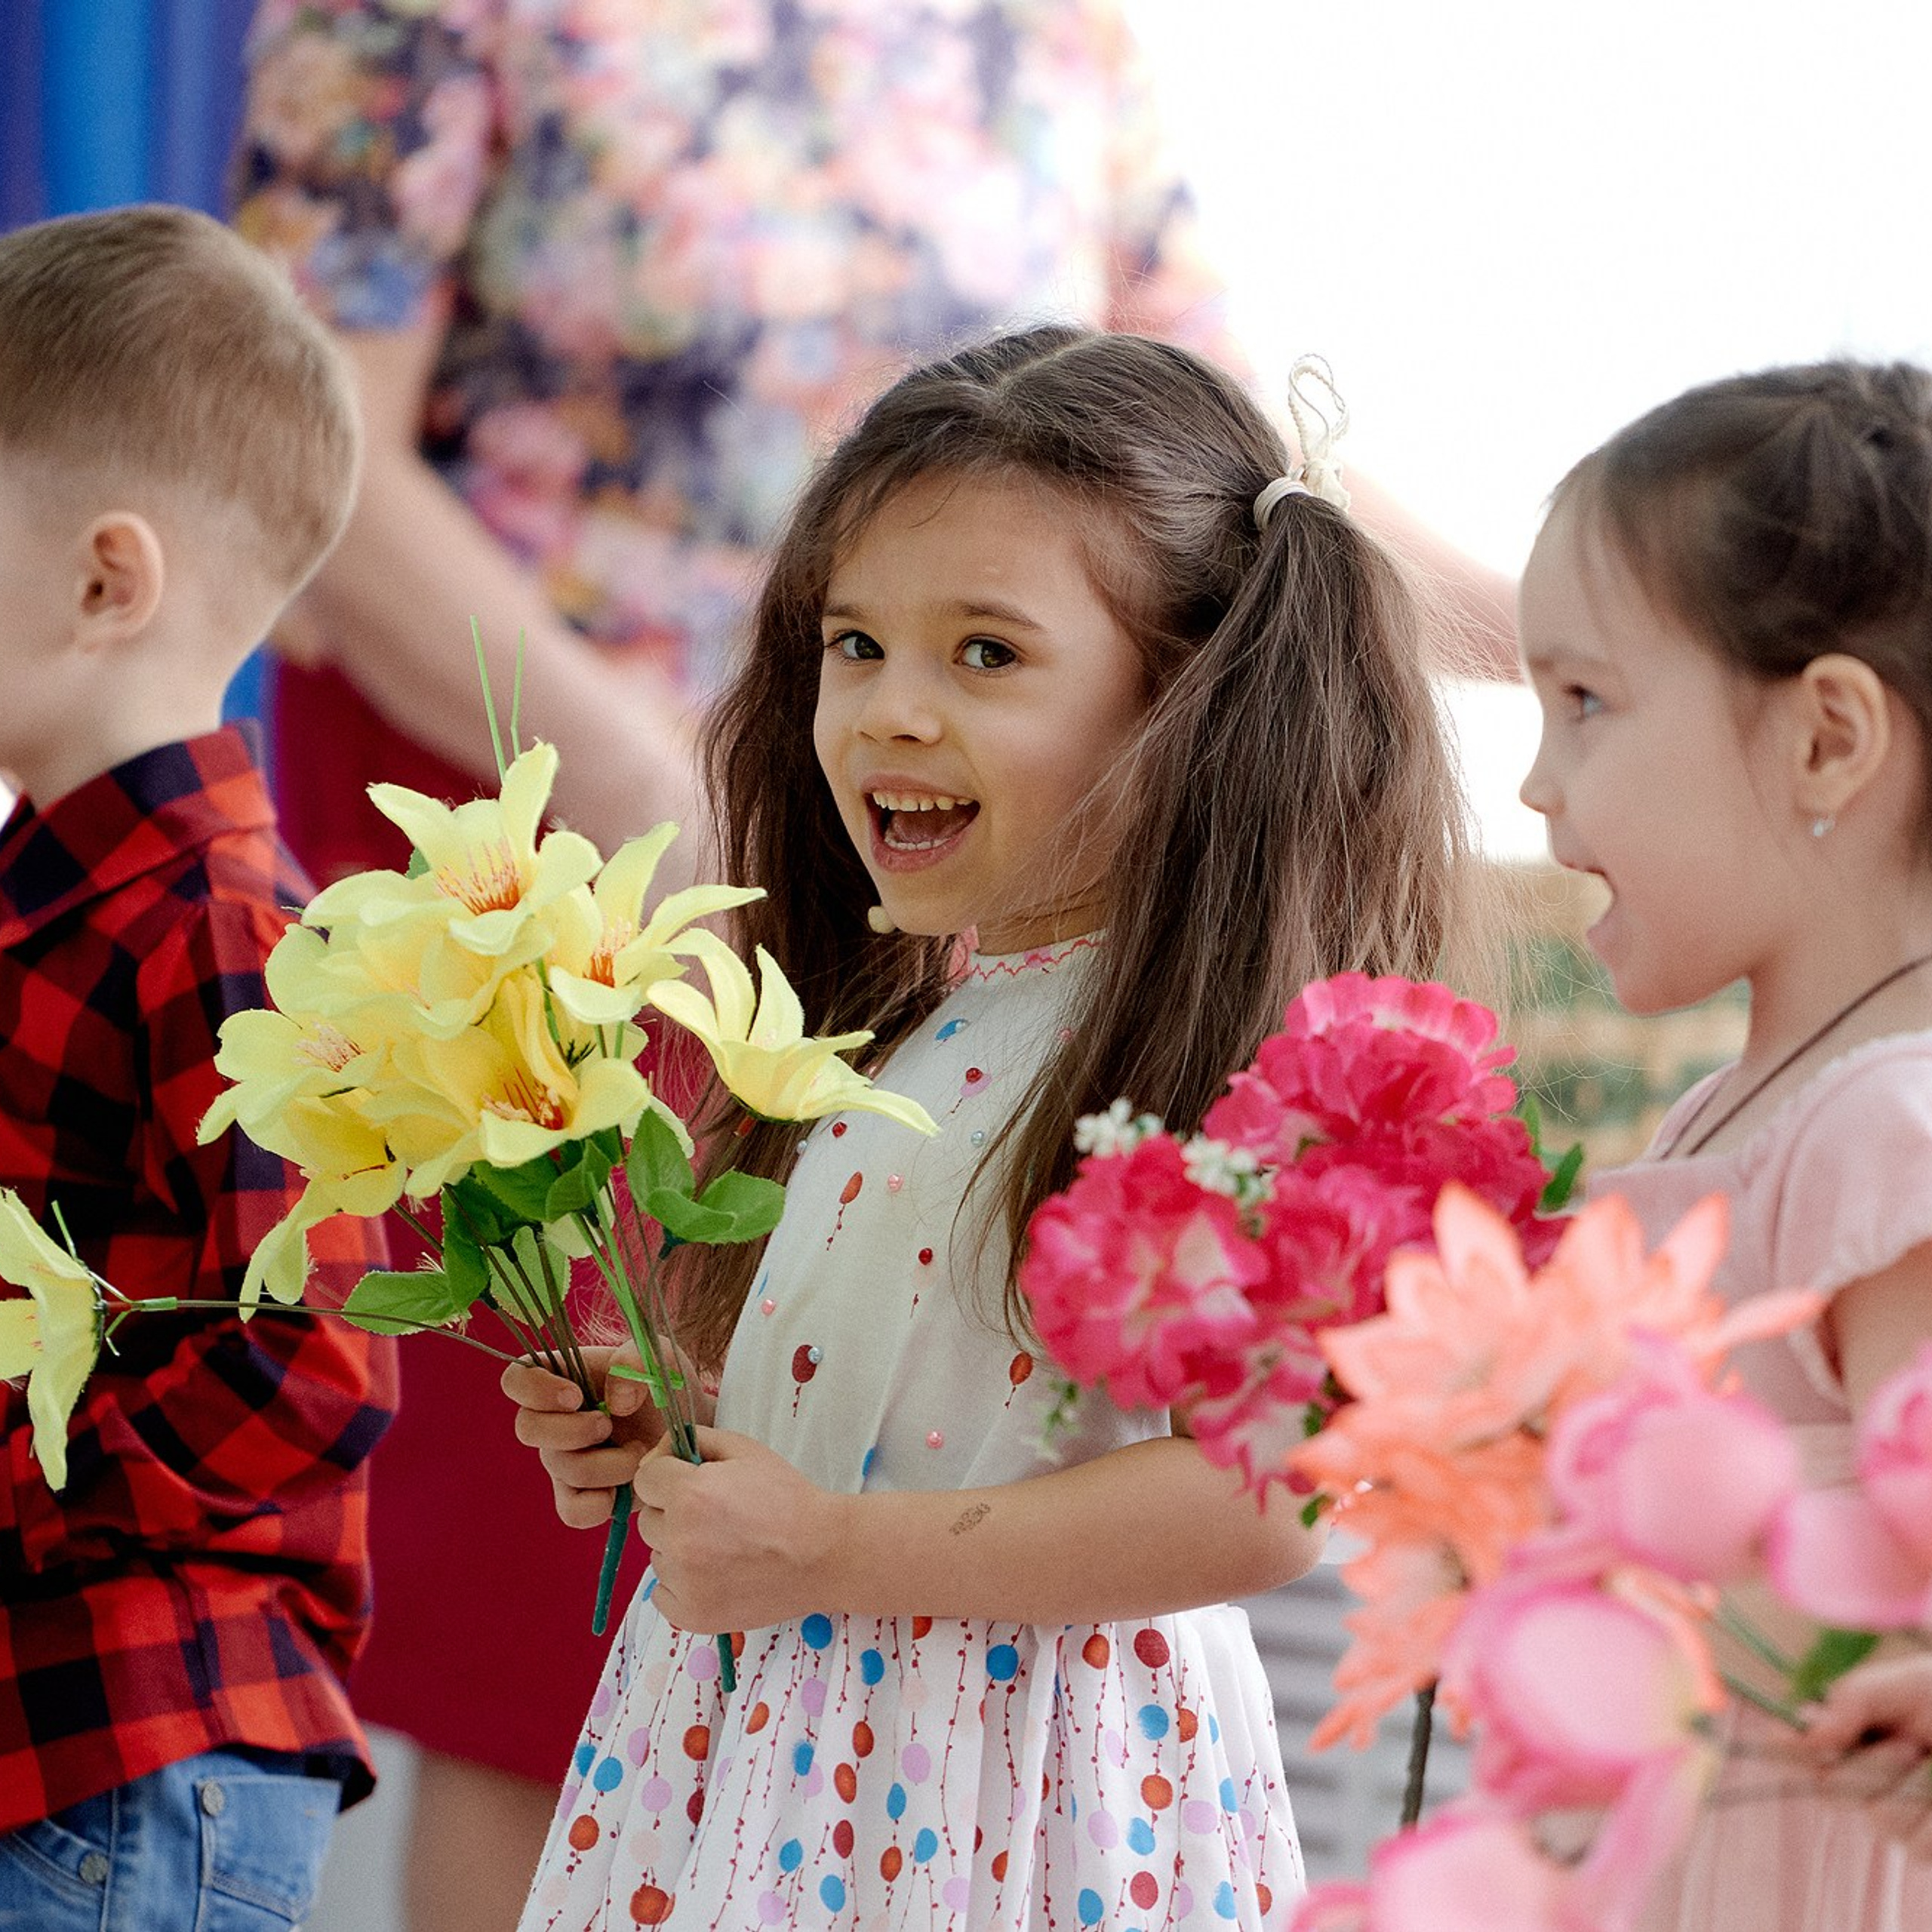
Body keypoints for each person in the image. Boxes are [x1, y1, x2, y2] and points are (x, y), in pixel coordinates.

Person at [503, 324, 1495, 1929]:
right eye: (852, 643)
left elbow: (1266, 1497)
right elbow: (937, 1387)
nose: (886, 711)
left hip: (1020, 1795)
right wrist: (688, 1420)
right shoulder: (905, 1024)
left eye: (985, 653)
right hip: (788, 1754)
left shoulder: (1228, 1060)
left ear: (1185, 695)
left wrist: (833, 1545)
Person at [0, 206, 396, 1927]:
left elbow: (311, 1363)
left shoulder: (233, 928)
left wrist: (23, 1477)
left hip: (144, 1751)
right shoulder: (64, 896)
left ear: (105, 577)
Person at [1516, 358, 1932, 1930]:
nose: (1533, 779)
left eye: (1584, 701)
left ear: (1825, 739)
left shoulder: (1882, 1130)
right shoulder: (1721, 1114)